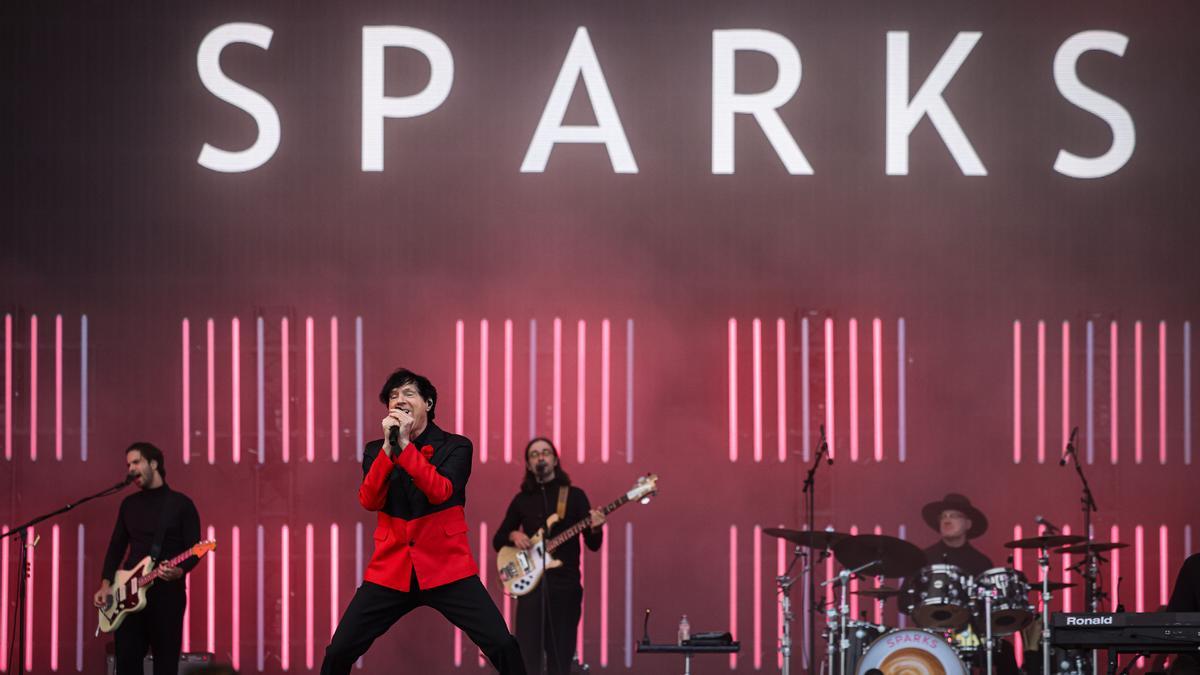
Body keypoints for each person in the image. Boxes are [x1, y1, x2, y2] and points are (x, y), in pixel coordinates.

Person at [321, 368, 524, 674]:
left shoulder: (456, 446)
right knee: (339, 649)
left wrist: (405, 448)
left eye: (408, 393)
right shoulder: (376, 450)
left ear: (428, 403)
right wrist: (391, 448)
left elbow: (440, 491)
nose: (399, 400)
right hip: (392, 569)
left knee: (503, 644)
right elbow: (369, 500)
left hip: (447, 568)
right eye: (393, 396)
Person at [493, 438, 605, 675]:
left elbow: (593, 544)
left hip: (565, 587)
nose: (540, 457)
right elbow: (498, 539)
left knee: (560, 657)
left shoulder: (574, 496)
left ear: (555, 460)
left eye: (545, 452)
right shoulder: (522, 500)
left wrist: (595, 527)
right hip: (531, 589)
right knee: (526, 657)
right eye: (534, 455)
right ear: (528, 465)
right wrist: (514, 534)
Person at [94, 442, 202, 675]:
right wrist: (106, 585)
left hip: (166, 595)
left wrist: (180, 571)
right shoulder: (129, 505)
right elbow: (116, 548)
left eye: (136, 462)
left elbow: (195, 550)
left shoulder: (181, 505)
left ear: (153, 464)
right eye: (128, 464)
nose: (131, 469)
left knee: (165, 664)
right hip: (127, 594)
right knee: (127, 665)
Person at [918, 493, 1020, 675]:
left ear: (968, 524)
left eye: (954, 516)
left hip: (971, 635)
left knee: (1004, 650)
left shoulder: (981, 563)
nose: (947, 520)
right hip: (933, 636)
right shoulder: (924, 559)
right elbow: (906, 601)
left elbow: (988, 607)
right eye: (943, 516)